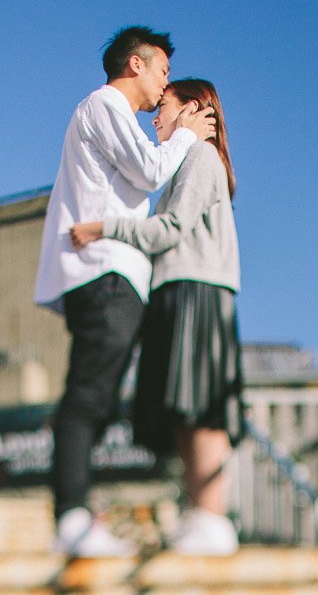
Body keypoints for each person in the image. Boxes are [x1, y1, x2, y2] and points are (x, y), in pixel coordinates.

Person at [35, 26, 215, 556]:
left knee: (102, 397)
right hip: (101, 271)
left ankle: (76, 516)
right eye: (162, 69)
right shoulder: (103, 105)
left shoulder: (116, 119)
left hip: (116, 274)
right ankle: (70, 518)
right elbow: (151, 169)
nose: (166, 85)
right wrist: (186, 131)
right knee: (89, 395)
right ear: (135, 65)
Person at [69, 78, 241, 555]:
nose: (154, 117)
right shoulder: (190, 161)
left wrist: (105, 227)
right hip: (180, 289)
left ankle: (212, 517)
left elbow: (170, 229)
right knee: (185, 408)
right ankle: (202, 515)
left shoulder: (201, 158)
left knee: (202, 408)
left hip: (197, 290)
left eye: (162, 106)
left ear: (192, 109)